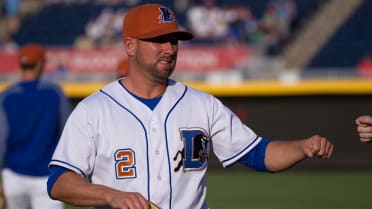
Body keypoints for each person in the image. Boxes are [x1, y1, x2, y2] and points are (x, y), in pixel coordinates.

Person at [47, 4, 334, 209]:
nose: (170, 48)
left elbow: (257, 153)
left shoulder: (202, 104)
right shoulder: (94, 110)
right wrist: (111, 196)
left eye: (173, 40)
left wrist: (301, 147)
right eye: (158, 40)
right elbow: (59, 181)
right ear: (130, 46)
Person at [0, 43, 72, 209]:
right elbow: (67, 133)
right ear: (40, 64)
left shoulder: (6, 96)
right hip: (46, 177)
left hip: (13, 174)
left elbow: (1, 140)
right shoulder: (55, 93)